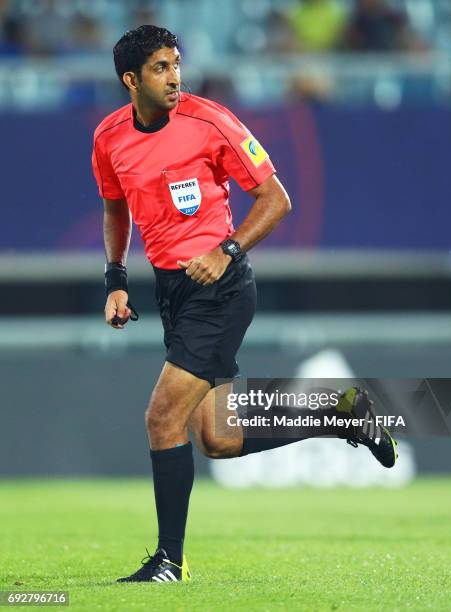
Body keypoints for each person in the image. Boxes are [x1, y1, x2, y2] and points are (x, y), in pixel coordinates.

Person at [91, 25, 398, 584]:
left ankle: (168, 562)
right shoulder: (109, 136)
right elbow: (116, 208)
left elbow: (276, 198)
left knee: (163, 416)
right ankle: (338, 411)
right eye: (160, 68)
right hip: (173, 292)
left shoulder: (211, 122)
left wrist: (224, 248)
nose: (174, 76)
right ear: (130, 80)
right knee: (219, 438)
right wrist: (115, 279)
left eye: (176, 63)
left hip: (222, 287)